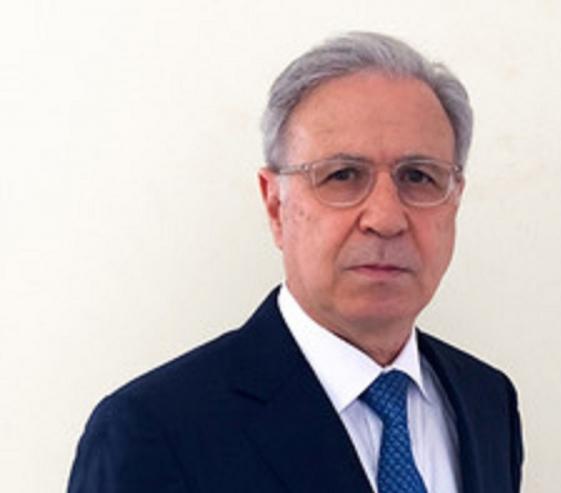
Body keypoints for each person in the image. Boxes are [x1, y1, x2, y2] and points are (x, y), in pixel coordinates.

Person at [68, 32, 523, 493]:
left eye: (419, 177)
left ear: (455, 201)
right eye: (343, 175)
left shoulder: (487, 401)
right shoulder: (152, 431)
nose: (386, 218)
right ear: (275, 205)